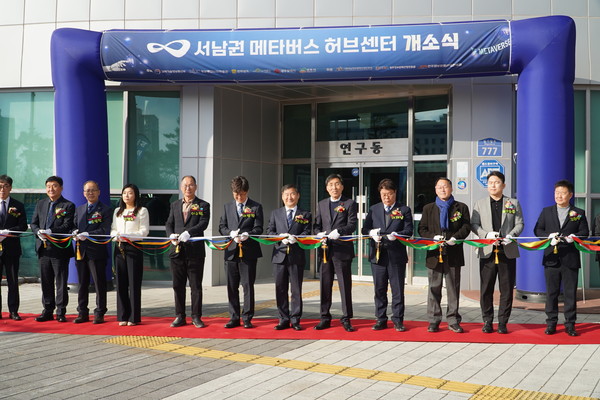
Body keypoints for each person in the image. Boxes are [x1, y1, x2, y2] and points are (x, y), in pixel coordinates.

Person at [471, 171, 524, 334]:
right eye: (490, 182)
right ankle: (487, 321)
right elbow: (474, 224)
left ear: (504, 185)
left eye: (497, 182)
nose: (493, 185)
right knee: (486, 288)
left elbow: (520, 223)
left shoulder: (513, 203)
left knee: (506, 290)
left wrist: (511, 235)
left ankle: (502, 322)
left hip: (506, 251)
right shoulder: (479, 204)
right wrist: (486, 234)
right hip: (487, 251)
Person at [534, 180, 589, 336]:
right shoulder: (546, 211)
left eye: (563, 193)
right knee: (551, 293)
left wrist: (575, 237)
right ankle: (551, 323)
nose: (559, 196)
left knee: (570, 294)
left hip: (570, 259)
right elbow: (537, 230)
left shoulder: (578, 212)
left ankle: (570, 324)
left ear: (570, 195)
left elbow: (585, 232)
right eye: (557, 193)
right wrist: (548, 236)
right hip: (551, 258)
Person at [418, 177, 471, 333]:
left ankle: (453, 320)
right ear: (435, 190)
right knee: (434, 288)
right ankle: (433, 320)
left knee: (453, 289)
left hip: (453, 252)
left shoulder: (461, 207)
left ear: (451, 188)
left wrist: (456, 238)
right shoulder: (428, 208)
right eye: (439, 187)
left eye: (445, 186)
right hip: (434, 253)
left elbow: (466, 226)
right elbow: (422, 229)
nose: (442, 189)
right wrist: (432, 237)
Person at [362, 178, 413, 332]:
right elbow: (365, 229)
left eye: (389, 194)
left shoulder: (404, 210)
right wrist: (371, 233)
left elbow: (409, 231)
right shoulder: (374, 209)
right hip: (378, 255)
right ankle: (380, 319)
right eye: (383, 194)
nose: (386, 197)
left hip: (396, 255)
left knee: (397, 290)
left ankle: (398, 320)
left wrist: (397, 235)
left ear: (395, 193)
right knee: (379, 289)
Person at [313, 174, 358, 332]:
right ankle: (325, 317)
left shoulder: (349, 203)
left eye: (337, 184)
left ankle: (346, 318)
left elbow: (352, 224)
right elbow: (316, 225)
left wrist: (340, 231)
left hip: (342, 250)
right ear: (327, 188)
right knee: (325, 285)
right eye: (331, 184)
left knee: (344, 285)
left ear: (342, 186)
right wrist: (318, 233)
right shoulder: (321, 204)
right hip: (325, 250)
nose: (334, 187)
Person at [218, 176, 263, 329]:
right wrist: (230, 233)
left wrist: (248, 235)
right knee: (232, 286)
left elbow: (259, 228)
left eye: (242, 194)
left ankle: (247, 317)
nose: (239, 197)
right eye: (236, 194)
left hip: (248, 252)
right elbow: (221, 226)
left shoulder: (255, 207)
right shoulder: (227, 206)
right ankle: (234, 317)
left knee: (247, 285)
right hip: (231, 251)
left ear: (247, 192)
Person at [165, 176, 210, 328]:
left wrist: (189, 233)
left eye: (191, 185)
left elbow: (203, 223)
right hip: (177, 251)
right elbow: (169, 223)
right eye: (185, 185)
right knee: (178, 285)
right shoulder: (175, 205)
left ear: (196, 187)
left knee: (196, 286)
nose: (188, 188)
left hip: (195, 252)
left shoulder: (203, 205)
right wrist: (171, 235)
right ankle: (180, 316)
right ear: (181, 187)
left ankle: (196, 317)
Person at [266, 184, 312, 331]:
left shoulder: (305, 214)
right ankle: (283, 319)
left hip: (296, 256)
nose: (289, 197)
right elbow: (269, 231)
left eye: (292, 194)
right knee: (280, 288)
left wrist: (297, 238)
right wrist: (279, 237)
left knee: (296, 290)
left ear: (298, 196)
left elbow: (307, 232)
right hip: (279, 256)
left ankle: (296, 319)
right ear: (282, 196)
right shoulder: (275, 213)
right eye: (286, 194)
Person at [30, 176, 75, 322]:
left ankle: (61, 312)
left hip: (59, 249)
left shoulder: (68, 205)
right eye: (48, 186)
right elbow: (34, 223)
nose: (51, 189)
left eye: (54, 186)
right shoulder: (41, 204)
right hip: (43, 249)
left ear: (61, 188)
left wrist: (51, 231)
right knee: (46, 281)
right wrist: (38, 232)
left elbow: (67, 226)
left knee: (60, 283)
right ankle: (47, 310)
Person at [72, 181, 113, 324]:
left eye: (93, 190)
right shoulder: (79, 209)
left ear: (98, 192)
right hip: (81, 251)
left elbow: (105, 230)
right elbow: (73, 226)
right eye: (87, 190)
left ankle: (100, 312)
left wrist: (88, 234)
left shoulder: (105, 210)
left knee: (99, 284)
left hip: (97, 252)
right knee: (82, 283)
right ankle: (82, 312)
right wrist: (74, 232)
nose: (90, 193)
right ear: (83, 193)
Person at [110, 184, 149, 326]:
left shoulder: (142, 211)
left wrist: (128, 235)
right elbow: (113, 229)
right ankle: (122, 316)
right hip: (119, 247)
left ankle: (133, 317)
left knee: (133, 283)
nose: (127, 195)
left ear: (136, 195)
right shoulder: (117, 211)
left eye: (130, 193)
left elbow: (144, 231)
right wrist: (116, 235)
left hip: (134, 247)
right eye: (124, 193)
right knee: (120, 282)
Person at [0, 175, 27, 320]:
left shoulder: (18, 205)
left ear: (10, 188)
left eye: (5, 186)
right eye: (0, 186)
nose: (2, 189)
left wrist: (8, 232)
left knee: (13, 281)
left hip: (12, 248)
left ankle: (14, 311)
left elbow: (23, 225)